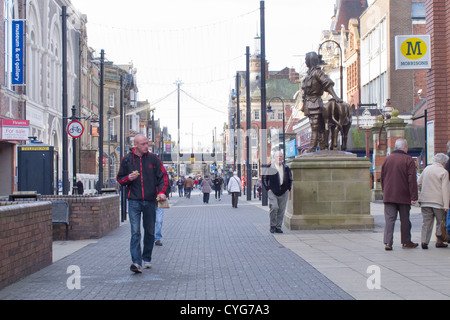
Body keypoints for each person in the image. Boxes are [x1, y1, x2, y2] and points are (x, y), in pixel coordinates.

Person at [117, 134, 169, 273]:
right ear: (136, 145)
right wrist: (128, 178)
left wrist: (162, 191)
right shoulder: (127, 159)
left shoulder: (153, 159)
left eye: (147, 143)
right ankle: (136, 262)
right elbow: (120, 179)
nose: (146, 146)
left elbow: (163, 177)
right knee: (135, 232)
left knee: (150, 231)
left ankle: (147, 258)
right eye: (143, 144)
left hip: (150, 200)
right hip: (134, 200)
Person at [381, 139, 419, 250]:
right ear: (405, 147)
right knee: (405, 220)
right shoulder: (408, 160)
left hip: (389, 195)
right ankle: (406, 242)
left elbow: (382, 178)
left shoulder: (387, 159)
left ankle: (388, 243)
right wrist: (413, 197)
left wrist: (385, 191)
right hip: (404, 195)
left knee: (389, 220)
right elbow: (412, 180)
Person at [301, 51, 342, 152]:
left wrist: (335, 96)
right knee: (318, 127)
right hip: (308, 103)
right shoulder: (308, 74)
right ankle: (322, 147)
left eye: (306, 59)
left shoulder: (317, 72)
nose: (305, 61)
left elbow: (327, 83)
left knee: (315, 126)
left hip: (315, 103)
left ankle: (312, 148)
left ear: (310, 61)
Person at [418, 153, 450, 249]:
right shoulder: (443, 172)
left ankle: (424, 241)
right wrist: (446, 205)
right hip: (438, 202)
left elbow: (419, 182)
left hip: (425, 200)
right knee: (440, 222)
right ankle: (439, 241)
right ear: (443, 162)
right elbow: (445, 189)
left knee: (426, 222)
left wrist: (422, 191)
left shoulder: (426, 169)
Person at [262, 151, 293, 233]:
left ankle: (278, 227)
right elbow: (264, 178)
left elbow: (290, 179)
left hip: (284, 192)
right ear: (274, 158)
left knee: (281, 210)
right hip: (272, 191)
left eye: (281, 156)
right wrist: (268, 188)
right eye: (277, 156)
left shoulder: (286, 168)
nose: (279, 158)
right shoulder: (270, 167)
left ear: (282, 158)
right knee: (274, 207)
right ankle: (272, 226)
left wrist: (288, 188)